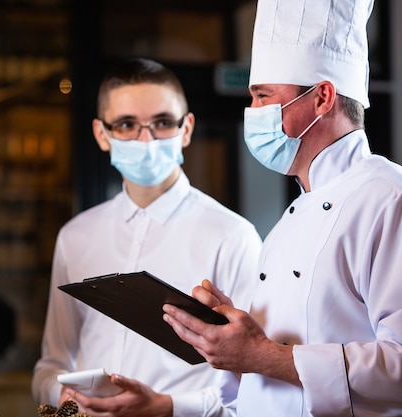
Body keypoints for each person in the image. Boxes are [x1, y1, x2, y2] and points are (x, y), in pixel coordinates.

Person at [163, 0, 402, 416]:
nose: (252, 113)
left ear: (322, 97)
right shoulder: (291, 219)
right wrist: (233, 335)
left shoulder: (395, 202)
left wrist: (262, 355)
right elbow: (273, 381)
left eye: (263, 96)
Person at [32, 58, 262, 416]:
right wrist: (65, 396)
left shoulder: (233, 236)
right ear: (101, 134)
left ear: (186, 129)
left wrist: (166, 407)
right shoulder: (75, 237)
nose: (146, 139)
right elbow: (52, 364)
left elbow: (253, 384)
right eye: (126, 124)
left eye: (162, 123)